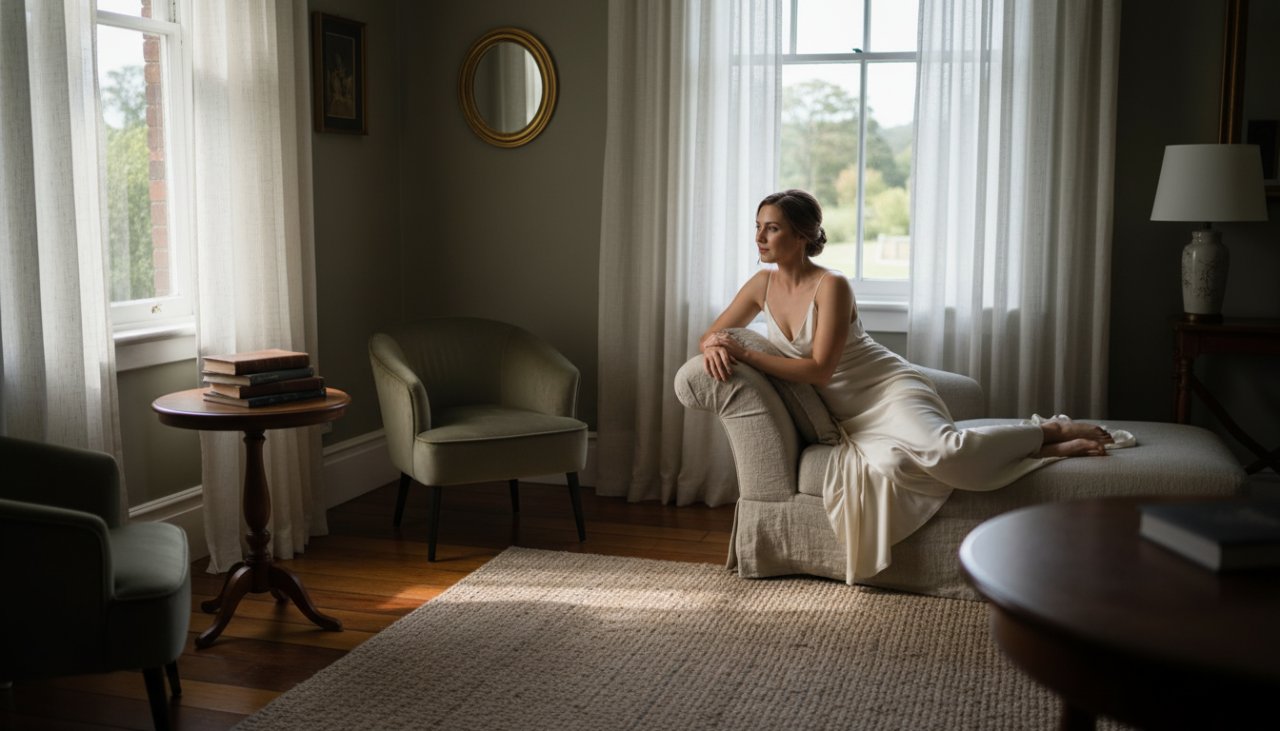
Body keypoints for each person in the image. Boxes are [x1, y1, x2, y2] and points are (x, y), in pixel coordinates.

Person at [698, 189, 1112, 582]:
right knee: (899, 466)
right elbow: (711, 334)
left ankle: (1046, 431)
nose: (759, 237)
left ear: (803, 235)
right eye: (758, 226)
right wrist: (713, 344)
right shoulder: (760, 286)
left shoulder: (832, 285)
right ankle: (1044, 450)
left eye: (771, 228)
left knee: (944, 449)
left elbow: (820, 370)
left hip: (888, 389)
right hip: (850, 416)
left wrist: (745, 353)